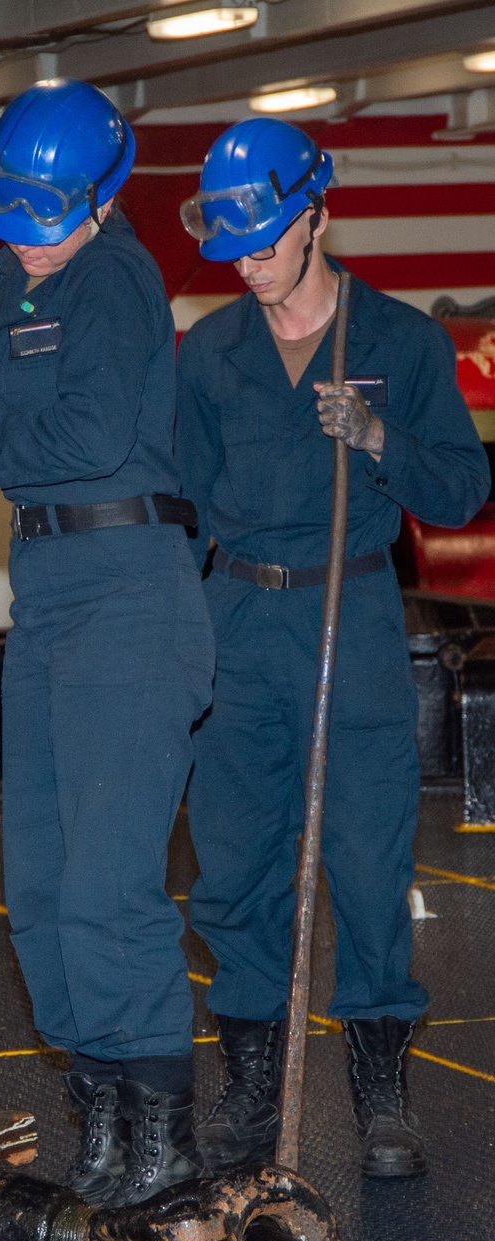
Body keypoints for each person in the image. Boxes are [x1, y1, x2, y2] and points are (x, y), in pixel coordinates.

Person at [0, 78, 214, 1206]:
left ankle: (162, 1142)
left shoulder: (119, 279)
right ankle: (98, 1112)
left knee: (107, 884)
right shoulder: (15, 265)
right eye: (13, 217)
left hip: (130, 587)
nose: (27, 244)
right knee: (34, 882)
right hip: (45, 589)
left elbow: (84, 430)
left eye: (47, 222)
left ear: (98, 200)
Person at [177, 118, 489, 1179]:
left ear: (317, 213)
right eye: (235, 246)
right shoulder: (209, 352)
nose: (249, 261)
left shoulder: (398, 342)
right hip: (237, 621)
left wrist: (377, 440)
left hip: (351, 617)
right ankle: (254, 1083)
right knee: (235, 863)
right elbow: (181, 501)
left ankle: (379, 1087)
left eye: (266, 238)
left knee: (365, 857)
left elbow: (459, 487)